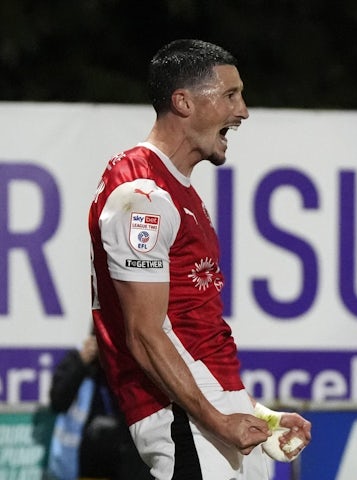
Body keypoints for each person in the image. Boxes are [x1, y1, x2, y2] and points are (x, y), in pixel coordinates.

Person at [88, 39, 311, 480]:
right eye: (231, 95)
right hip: (183, 420)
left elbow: (193, 330)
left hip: (208, 415)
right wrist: (216, 419)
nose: (243, 110)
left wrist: (254, 415)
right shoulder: (141, 196)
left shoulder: (176, 191)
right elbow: (146, 334)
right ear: (183, 102)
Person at [47, 333, 152, 480]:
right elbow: (58, 402)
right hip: (86, 460)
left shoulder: (132, 363)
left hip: (126, 459)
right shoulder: (80, 361)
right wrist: (80, 363)